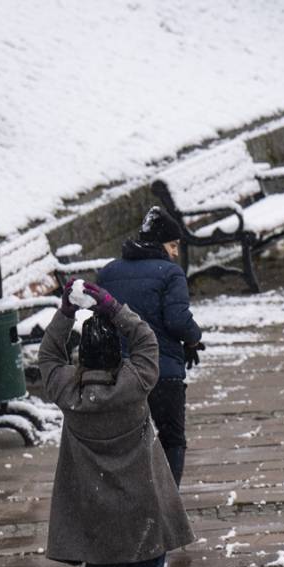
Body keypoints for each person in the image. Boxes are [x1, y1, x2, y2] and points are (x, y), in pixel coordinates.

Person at [38, 280, 194, 567]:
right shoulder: (136, 383)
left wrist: (66, 311)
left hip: (93, 501)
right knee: (147, 565)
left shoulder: (68, 392)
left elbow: (48, 356)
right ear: (116, 358)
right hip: (142, 497)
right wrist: (112, 306)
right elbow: (145, 339)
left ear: (82, 358)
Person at [97, 206, 203, 486]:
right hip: (161, 371)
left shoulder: (108, 273)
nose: (176, 252)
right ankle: (168, 504)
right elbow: (178, 320)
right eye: (173, 245)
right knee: (172, 439)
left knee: (126, 443)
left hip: (119, 374)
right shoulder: (170, 273)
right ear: (160, 245)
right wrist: (194, 338)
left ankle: (129, 500)